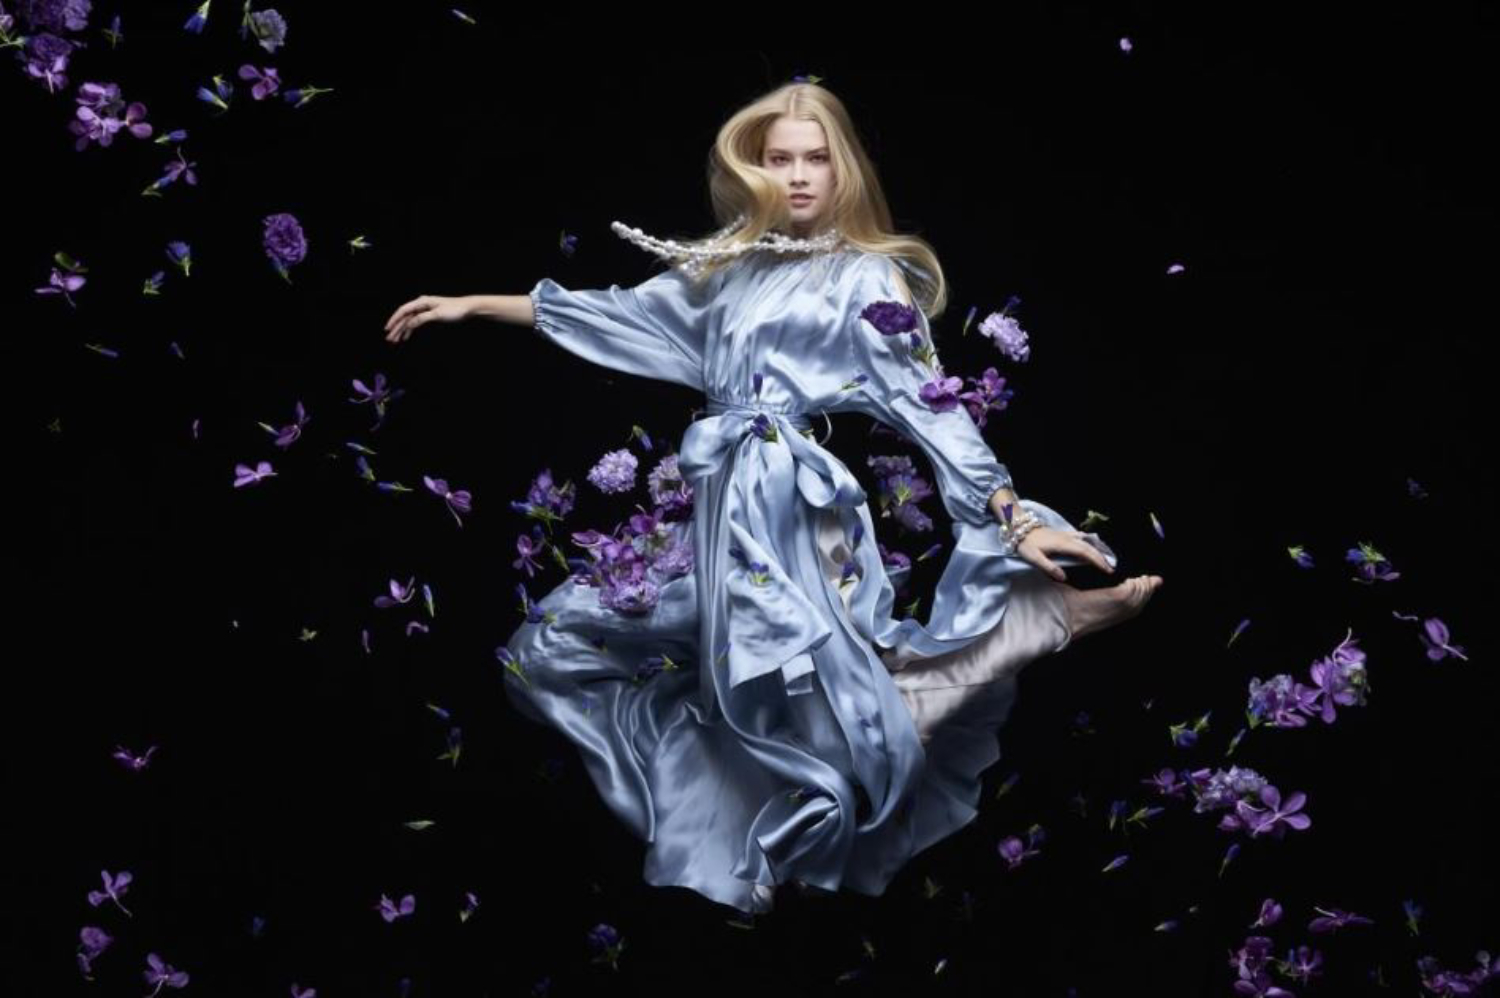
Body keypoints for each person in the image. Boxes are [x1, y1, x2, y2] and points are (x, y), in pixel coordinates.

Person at [381, 82, 1163, 915]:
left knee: (824, 719)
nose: (797, 177)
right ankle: (1026, 630)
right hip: (713, 508)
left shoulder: (867, 278)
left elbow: (931, 410)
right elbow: (620, 318)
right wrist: (476, 304)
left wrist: (1013, 517)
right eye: (779, 159)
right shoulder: (729, 270)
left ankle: (1040, 620)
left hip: (789, 513)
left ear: (844, 171)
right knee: (550, 652)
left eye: (815, 159)